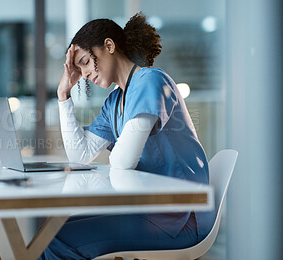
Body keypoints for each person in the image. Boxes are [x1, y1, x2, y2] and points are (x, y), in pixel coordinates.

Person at [39, 12, 215, 259]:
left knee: (59, 239)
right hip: (148, 210)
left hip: (180, 217)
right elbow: (80, 154)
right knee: (54, 229)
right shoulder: (115, 101)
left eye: (86, 61)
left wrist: (116, 156)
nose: (85, 74)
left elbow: (123, 161)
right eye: (79, 68)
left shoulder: (151, 81)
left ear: (109, 46)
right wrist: (63, 94)